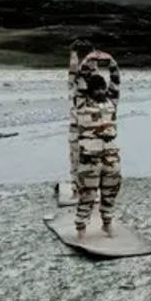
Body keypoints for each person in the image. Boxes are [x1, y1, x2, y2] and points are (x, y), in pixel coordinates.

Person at [74, 73, 122, 239]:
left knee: (110, 192)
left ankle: (107, 224)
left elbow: (116, 81)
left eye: (103, 88)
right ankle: (81, 229)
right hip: (90, 157)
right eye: (97, 89)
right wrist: (85, 60)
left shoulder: (110, 103)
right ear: (90, 90)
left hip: (110, 154)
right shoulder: (82, 105)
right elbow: (77, 82)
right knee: (88, 194)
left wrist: (110, 61)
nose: (101, 92)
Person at [66, 38, 94, 193]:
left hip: (84, 127)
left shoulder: (79, 90)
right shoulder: (75, 91)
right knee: (79, 157)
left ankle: (83, 186)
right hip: (80, 127)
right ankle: (79, 186)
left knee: (83, 157)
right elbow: (73, 75)